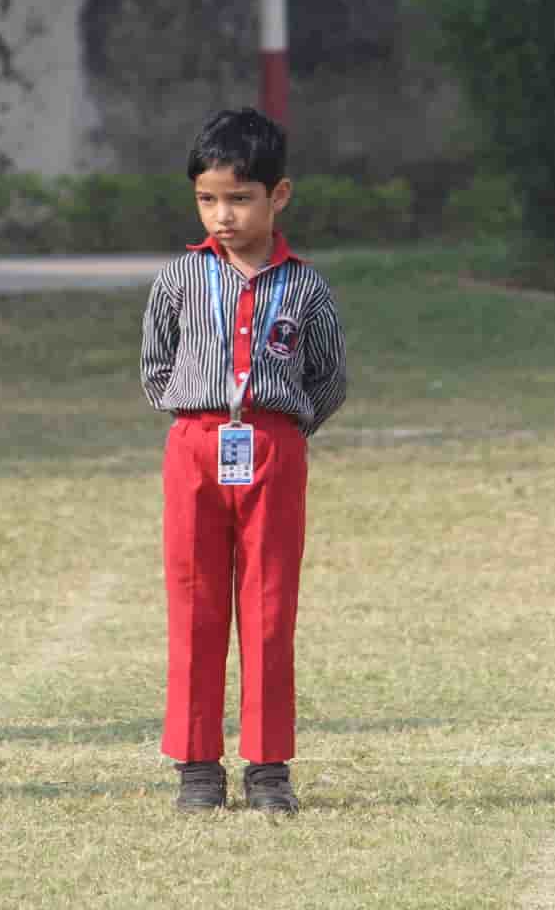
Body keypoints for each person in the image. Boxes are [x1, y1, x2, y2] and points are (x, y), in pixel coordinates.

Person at [139, 107, 348, 814]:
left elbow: (328, 376)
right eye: (207, 199)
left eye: (239, 198)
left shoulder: (306, 287)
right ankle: (197, 764)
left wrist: (283, 429)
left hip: (274, 449)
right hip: (195, 447)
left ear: (277, 195)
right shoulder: (179, 278)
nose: (222, 215)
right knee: (194, 601)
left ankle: (268, 766)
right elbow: (155, 364)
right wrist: (197, 417)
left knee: (268, 606)